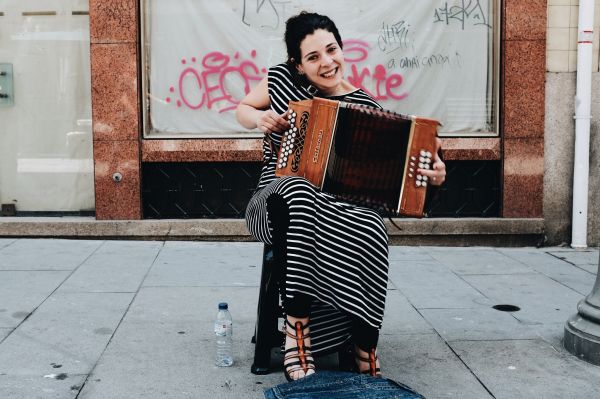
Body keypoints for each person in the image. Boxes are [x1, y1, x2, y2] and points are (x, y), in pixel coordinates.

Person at [236, 11, 446, 381]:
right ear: (298, 66)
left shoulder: (367, 107)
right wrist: (259, 120)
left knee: (370, 223)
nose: (327, 62)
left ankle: (365, 340)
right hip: (275, 195)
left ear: (341, 48)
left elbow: (397, 174)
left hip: (337, 203)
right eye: (313, 57)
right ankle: (296, 330)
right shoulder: (283, 80)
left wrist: (434, 175)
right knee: (299, 189)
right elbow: (243, 108)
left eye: (332, 50)